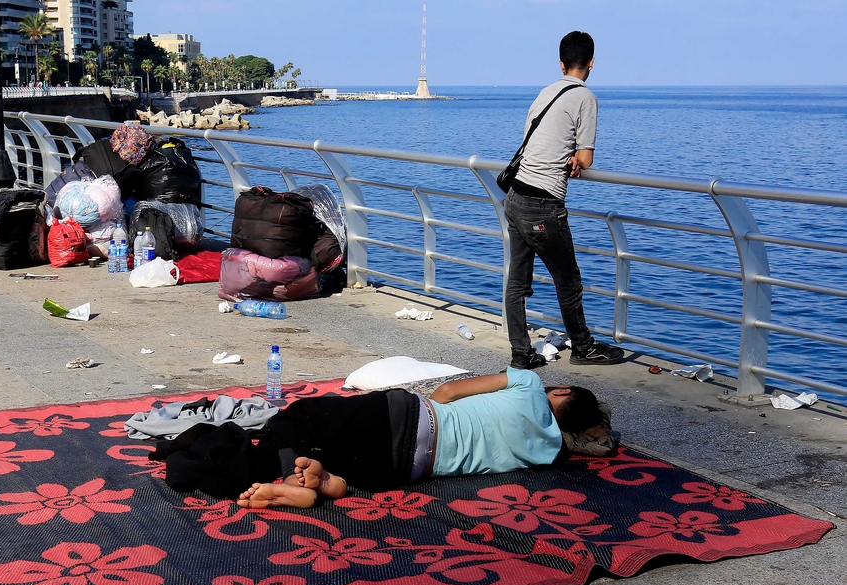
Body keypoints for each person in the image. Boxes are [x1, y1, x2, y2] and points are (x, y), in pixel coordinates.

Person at [151, 371, 602, 510]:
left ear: (559, 393)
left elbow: (445, 394)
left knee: (303, 415)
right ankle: (326, 477)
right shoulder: (550, 450)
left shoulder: (528, 383)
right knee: (319, 446)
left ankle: (297, 468)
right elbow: (595, 443)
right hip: (403, 471)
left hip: (408, 419)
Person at [503, 31, 625, 370]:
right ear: (592, 63)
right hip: (542, 203)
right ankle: (584, 347)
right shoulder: (585, 98)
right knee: (568, 280)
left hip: (516, 194)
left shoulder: (546, 92)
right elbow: (585, 159)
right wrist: (576, 157)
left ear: (561, 63)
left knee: (517, 281)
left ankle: (521, 353)